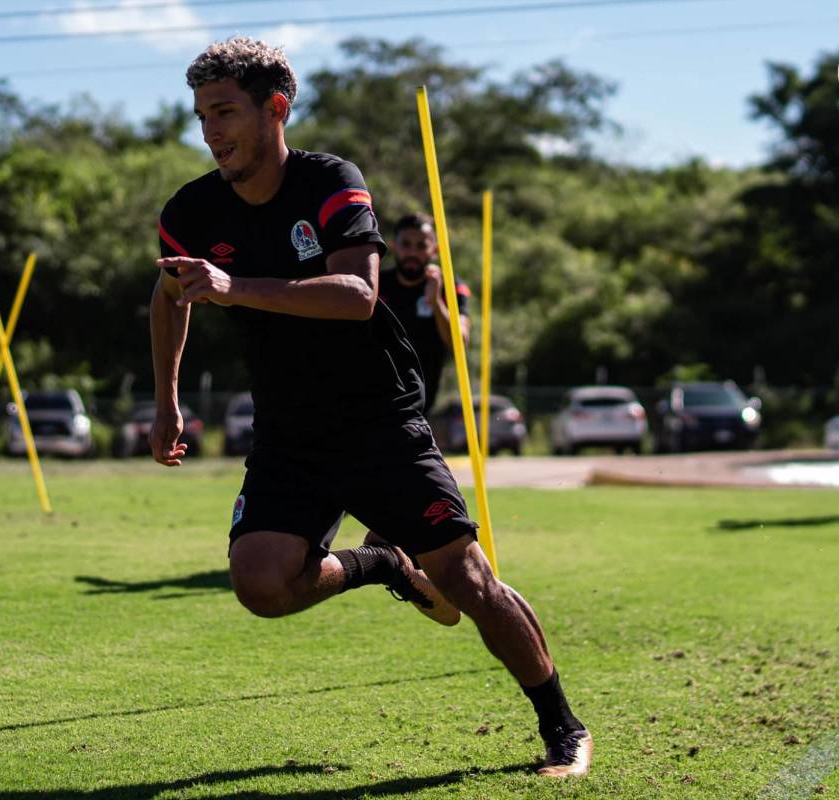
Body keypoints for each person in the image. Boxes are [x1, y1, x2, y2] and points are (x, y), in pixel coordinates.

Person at [148, 37, 592, 778]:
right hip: (289, 433)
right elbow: (166, 296)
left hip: (378, 420)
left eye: (224, 111)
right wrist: (166, 397)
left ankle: (564, 728)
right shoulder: (191, 209)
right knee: (261, 583)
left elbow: (357, 298)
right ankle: (380, 561)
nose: (211, 131)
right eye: (201, 116)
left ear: (275, 109)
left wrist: (233, 286)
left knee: (466, 581)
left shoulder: (330, 182)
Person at [378, 212, 471, 414]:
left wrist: (436, 301)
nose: (412, 252)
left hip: (422, 397)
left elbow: (459, 342)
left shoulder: (451, 287)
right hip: (378, 391)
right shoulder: (376, 284)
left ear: (435, 250)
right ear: (393, 246)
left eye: (421, 246)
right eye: (406, 244)